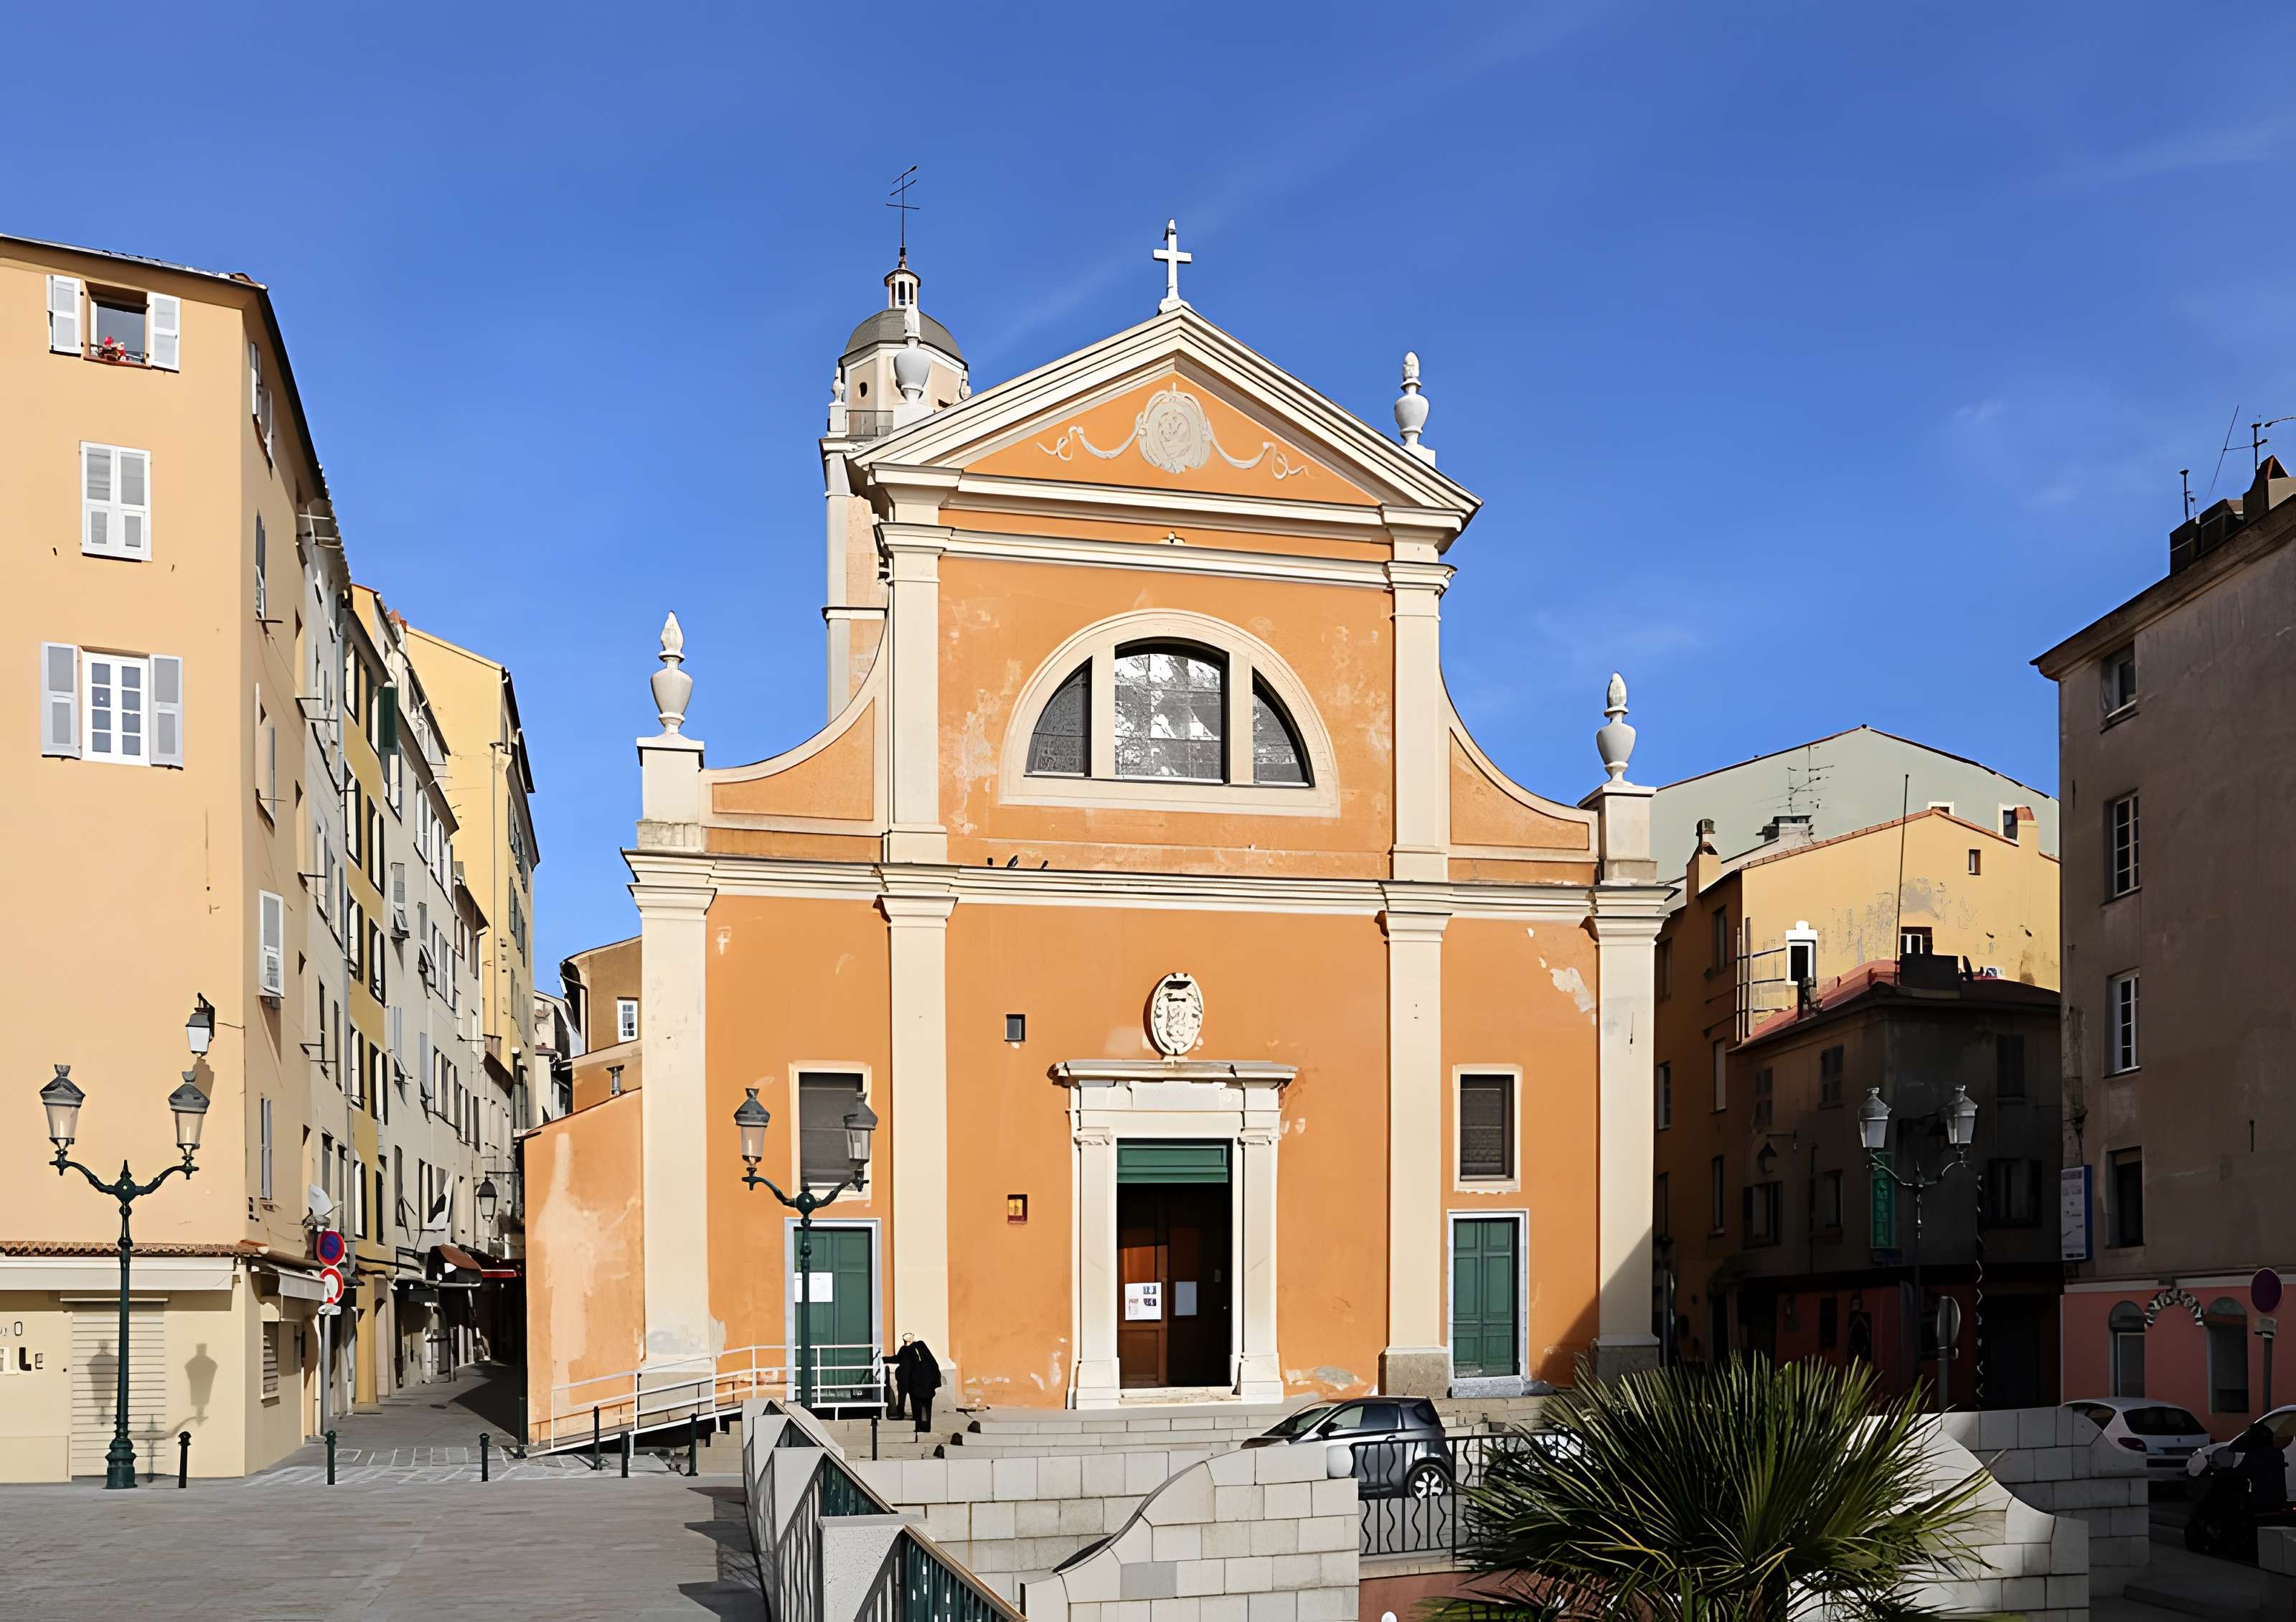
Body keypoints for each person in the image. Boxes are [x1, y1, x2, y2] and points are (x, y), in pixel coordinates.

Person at [896, 1333, 943, 1435]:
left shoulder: (908, 1353)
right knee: (926, 1408)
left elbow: (905, 1371)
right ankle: (925, 1427)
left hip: (917, 1386)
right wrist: (935, 1385)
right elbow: (935, 1369)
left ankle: (921, 1427)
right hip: (927, 1386)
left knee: (919, 1408)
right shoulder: (926, 1355)